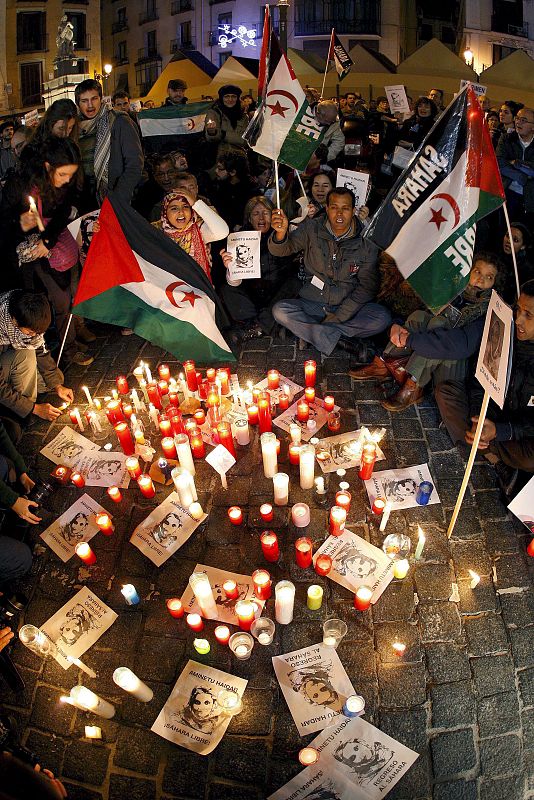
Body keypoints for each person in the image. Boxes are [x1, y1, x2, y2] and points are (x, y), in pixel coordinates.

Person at [349, 254, 501, 411]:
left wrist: (410, 340)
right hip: (435, 349)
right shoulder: (456, 290)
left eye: (489, 277)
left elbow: (457, 345)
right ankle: (383, 363)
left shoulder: (488, 310)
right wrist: (397, 328)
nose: (481, 280)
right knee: (419, 316)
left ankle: (414, 386)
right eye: (477, 271)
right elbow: (423, 315)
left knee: (438, 327)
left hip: (453, 366)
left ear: (495, 283)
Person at [435, 279, 534, 498]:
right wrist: (480, 417)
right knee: (446, 392)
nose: (518, 319)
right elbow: (480, 380)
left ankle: (481, 446)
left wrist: (500, 431)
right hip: (494, 412)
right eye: (518, 310)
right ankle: (494, 458)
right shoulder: (505, 332)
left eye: (529, 315)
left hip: (518, 431)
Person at [1, 137, 91, 365]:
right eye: (63, 174)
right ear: (48, 166)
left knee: (70, 294)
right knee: (56, 302)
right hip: (29, 258)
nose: (67, 180)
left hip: (58, 245)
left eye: (71, 175)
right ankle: (60, 352)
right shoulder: (18, 184)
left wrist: (48, 240)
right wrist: (21, 223)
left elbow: (64, 211)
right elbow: (5, 223)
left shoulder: (62, 185)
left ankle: (72, 338)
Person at [269, 187, 389, 358]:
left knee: (381, 317)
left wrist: (339, 316)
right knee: (280, 310)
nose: (339, 214)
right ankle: (342, 341)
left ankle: (311, 333)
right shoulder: (311, 228)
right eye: (334, 207)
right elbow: (283, 249)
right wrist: (281, 234)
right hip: (313, 302)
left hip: (348, 306)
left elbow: (368, 286)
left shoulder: (366, 242)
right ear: (326, 208)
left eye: (345, 208)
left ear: (353, 210)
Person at [220, 196, 300, 339]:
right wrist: (231, 268)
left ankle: (256, 327)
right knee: (227, 289)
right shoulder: (238, 239)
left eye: (266, 213)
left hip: (277, 296)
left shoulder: (283, 234)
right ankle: (266, 325)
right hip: (252, 297)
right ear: (249, 218)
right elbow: (235, 283)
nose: (261, 218)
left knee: (295, 283)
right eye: (256, 214)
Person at [0, 290, 73, 423]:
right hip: (6, 366)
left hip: (8, 358)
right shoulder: (3, 322)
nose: (34, 336)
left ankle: (22, 399)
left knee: (53, 380)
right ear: (14, 320)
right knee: (26, 354)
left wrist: (57, 386)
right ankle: (21, 413)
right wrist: (34, 408)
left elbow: (39, 349)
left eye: (38, 332)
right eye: (30, 332)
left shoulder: (27, 312)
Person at [75, 78, 143, 210]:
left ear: (101, 98)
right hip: (86, 199)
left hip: (115, 196)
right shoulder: (75, 128)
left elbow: (134, 164)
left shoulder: (119, 121)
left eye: (94, 99)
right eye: (84, 101)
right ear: (78, 103)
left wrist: (121, 196)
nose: (90, 105)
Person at [152, 190, 228, 281]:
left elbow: (222, 232)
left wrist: (196, 203)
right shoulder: (155, 231)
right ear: (165, 212)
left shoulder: (198, 228)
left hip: (197, 286)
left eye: (186, 206)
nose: (181, 212)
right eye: (174, 208)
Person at [496, 107, 534, 226]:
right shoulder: (506, 138)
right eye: (517, 118)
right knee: (503, 229)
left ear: (533, 127)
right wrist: (521, 176)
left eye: (523, 120)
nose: (518, 122)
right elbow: (499, 162)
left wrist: (516, 163)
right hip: (508, 193)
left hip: (530, 197)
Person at [204, 85, 249, 164]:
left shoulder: (243, 116)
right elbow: (211, 138)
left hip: (240, 158)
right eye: (226, 96)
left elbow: (244, 141)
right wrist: (212, 132)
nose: (230, 99)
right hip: (219, 159)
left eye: (233, 96)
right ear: (221, 98)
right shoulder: (214, 113)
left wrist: (223, 134)